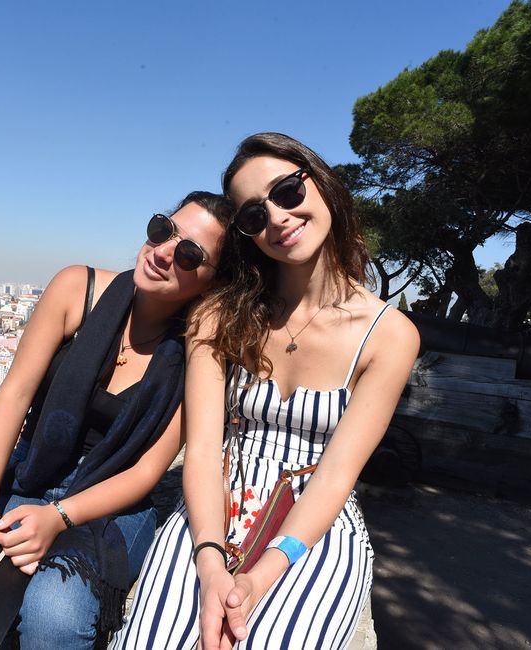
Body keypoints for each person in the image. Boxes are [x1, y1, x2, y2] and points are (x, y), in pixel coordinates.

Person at [113, 133, 420, 649]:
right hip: (214, 508)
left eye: (288, 192)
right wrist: (210, 562)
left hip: (312, 529)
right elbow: (205, 449)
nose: (276, 217)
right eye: (253, 215)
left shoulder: (389, 337)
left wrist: (263, 574)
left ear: (322, 185)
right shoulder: (221, 315)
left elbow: (337, 474)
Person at [0, 191, 234, 649]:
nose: (162, 252)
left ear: (211, 283)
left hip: (113, 505)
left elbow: (146, 471)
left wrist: (58, 517)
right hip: (34, 473)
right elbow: (15, 392)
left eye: (189, 254)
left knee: (54, 613)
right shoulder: (78, 289)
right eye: (162, 231)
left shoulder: (199, 349)